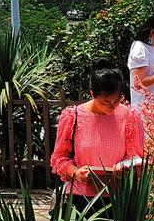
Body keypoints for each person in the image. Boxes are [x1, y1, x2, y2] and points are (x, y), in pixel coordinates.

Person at [50, 58, 144, 210]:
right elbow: (59, 158)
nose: (113, 106)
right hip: (81, 197)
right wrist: (75, 172)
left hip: (118, 196)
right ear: (92, 94)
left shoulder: (129, 117)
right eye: (107, 102)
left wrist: (126, 169)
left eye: (117, 100)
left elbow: (136, 157)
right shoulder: (73, 117)